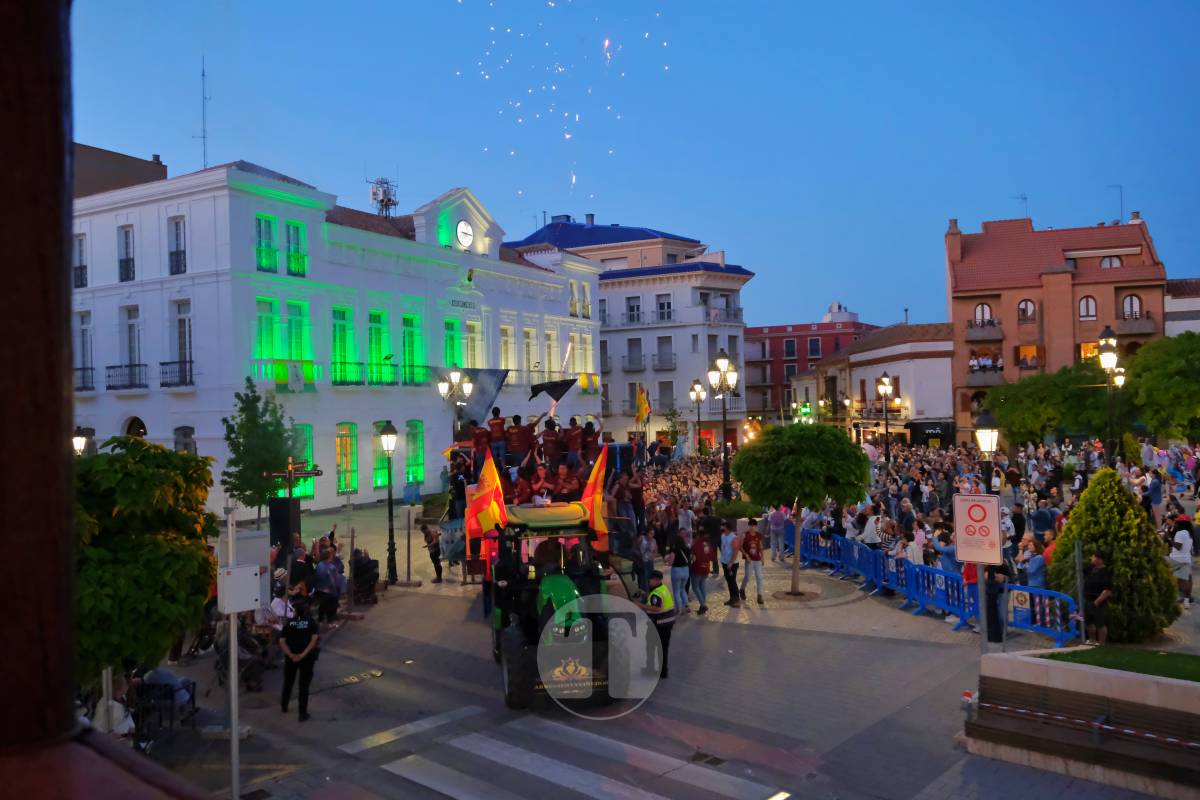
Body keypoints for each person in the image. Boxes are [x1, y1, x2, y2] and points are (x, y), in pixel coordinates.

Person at [279, 598, 320, 722]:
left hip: (291, 659)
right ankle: (302, 713)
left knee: (288, 682)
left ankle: (284, 705)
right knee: (304, 685)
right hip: (307, 659)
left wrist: (291, 655)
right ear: (306, 609)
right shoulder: (311, 622)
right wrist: (303, 654)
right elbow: (314, 640)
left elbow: (282, 642)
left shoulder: (289, 623)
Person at [641, 570, 676, 679]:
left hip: (657, 624)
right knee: (663, 648)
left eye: (651, 579)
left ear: (656, 580)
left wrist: (641, 606)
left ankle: (650, 669)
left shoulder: (656, 593)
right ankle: (663, 671)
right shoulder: (664, 588)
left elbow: (657, 608)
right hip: (668, 623)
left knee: (650, 647)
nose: (649, 581)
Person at [1082, 551, 1113, 645]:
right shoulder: (1091, 568)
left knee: (1100, 623)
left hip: (1098, 601)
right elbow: (1081, 569)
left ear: (1100, 560)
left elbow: (1107, 590)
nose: (1092, 558)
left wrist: (1097, 602)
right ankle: (1092, 640)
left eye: (1094, 557)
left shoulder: (1105, 573)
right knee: (1088, 622)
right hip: (1087, 599)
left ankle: (1101, 643)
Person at [739, 519, 765, 605]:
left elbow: (761, 547)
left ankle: (759, 595)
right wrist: (746, 555)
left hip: (757, 559)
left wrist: (763, 557)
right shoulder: (745, 535)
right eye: (751, 526)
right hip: (749, 560)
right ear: (749, 526)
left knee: (759, 577)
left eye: (754, 526)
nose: (752, 528)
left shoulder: (759, 535)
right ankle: (742, 589)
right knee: (747, 577)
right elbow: (740, 547)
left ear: (756, 527)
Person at [1170, 520, 1193, 609]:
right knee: (1185, 580)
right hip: (1186, 560)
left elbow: (1178, 547)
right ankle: (1186, 600)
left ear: (1181, 525)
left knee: (1161, 564)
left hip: (1176, 559)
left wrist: (1168, 538)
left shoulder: (1180, 533)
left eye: (1176, 523)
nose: (1175, 524)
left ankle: (1175, 596)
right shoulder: (1189, 534)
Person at [666, 533, 692, 613]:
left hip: (676, 571)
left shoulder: (674, 550)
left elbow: (670, 563)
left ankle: (679, 609)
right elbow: (690, 558)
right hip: (686, 570)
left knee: (676, 591)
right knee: (683, 589)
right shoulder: (687, 548)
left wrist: (667, 560)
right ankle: (686, 605)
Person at [690, 530, 714, 614]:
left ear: (696, 537)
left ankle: (703, 605)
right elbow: (712, 557)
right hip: (706, 568)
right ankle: (702, 605)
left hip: (697, 569)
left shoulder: (695, 545)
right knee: (702, 586)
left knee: (695, 587)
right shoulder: (708, 544)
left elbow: (693, 559)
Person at [719, 522, 741, 607]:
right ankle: (732, 598)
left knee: (732, 581)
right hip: (724, 562)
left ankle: (736, 599)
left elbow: (735, 551)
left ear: (727, 528)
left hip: (732, 564)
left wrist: (731, 562)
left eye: (723, 527)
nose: (722, 528)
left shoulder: (733, 538)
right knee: (729, 581)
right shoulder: (723, 535)